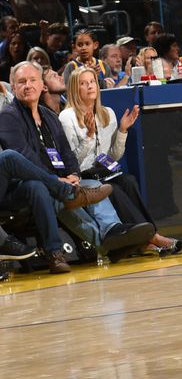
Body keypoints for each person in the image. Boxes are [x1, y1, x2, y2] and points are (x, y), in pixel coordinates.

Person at [0, 62, 125, 271]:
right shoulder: (7, 116)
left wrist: (73, 174)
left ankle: (102, 241)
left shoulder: (48, 115)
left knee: (77, 184)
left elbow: (66, 152)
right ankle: (71, 238)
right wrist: (56, 181)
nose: (27, 86)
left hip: (46, 183)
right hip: (13, 187)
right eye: (21, 82)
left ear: (42, 86)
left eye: (32, 80)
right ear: (13, 87)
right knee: (25, 170)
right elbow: (25, 156)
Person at [58, 67, 182, 255]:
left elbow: (113, 157)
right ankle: (152, 238)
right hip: (82, 175)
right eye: (83, 83)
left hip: (102, 171)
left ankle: (146, 237)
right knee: (113, 189)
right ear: (75, 90)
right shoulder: (67, 117)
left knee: (129, 180)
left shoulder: (106, 113)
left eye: (92, 81)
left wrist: (123, 131)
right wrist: (89, 137)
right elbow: (72, 162)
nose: (89, 86)